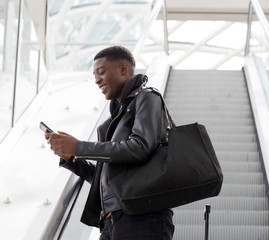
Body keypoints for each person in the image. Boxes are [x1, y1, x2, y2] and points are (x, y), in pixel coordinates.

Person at [45, 46, 174, 240]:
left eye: (101, 72)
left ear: (123, 70)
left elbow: (140, 148)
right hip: (112, 221)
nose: (96, 80)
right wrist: (72, 158)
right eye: (94, 75)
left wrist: (79, 146)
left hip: (143, 217)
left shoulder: (148, 98)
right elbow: (105, 179)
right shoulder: (110, 124)